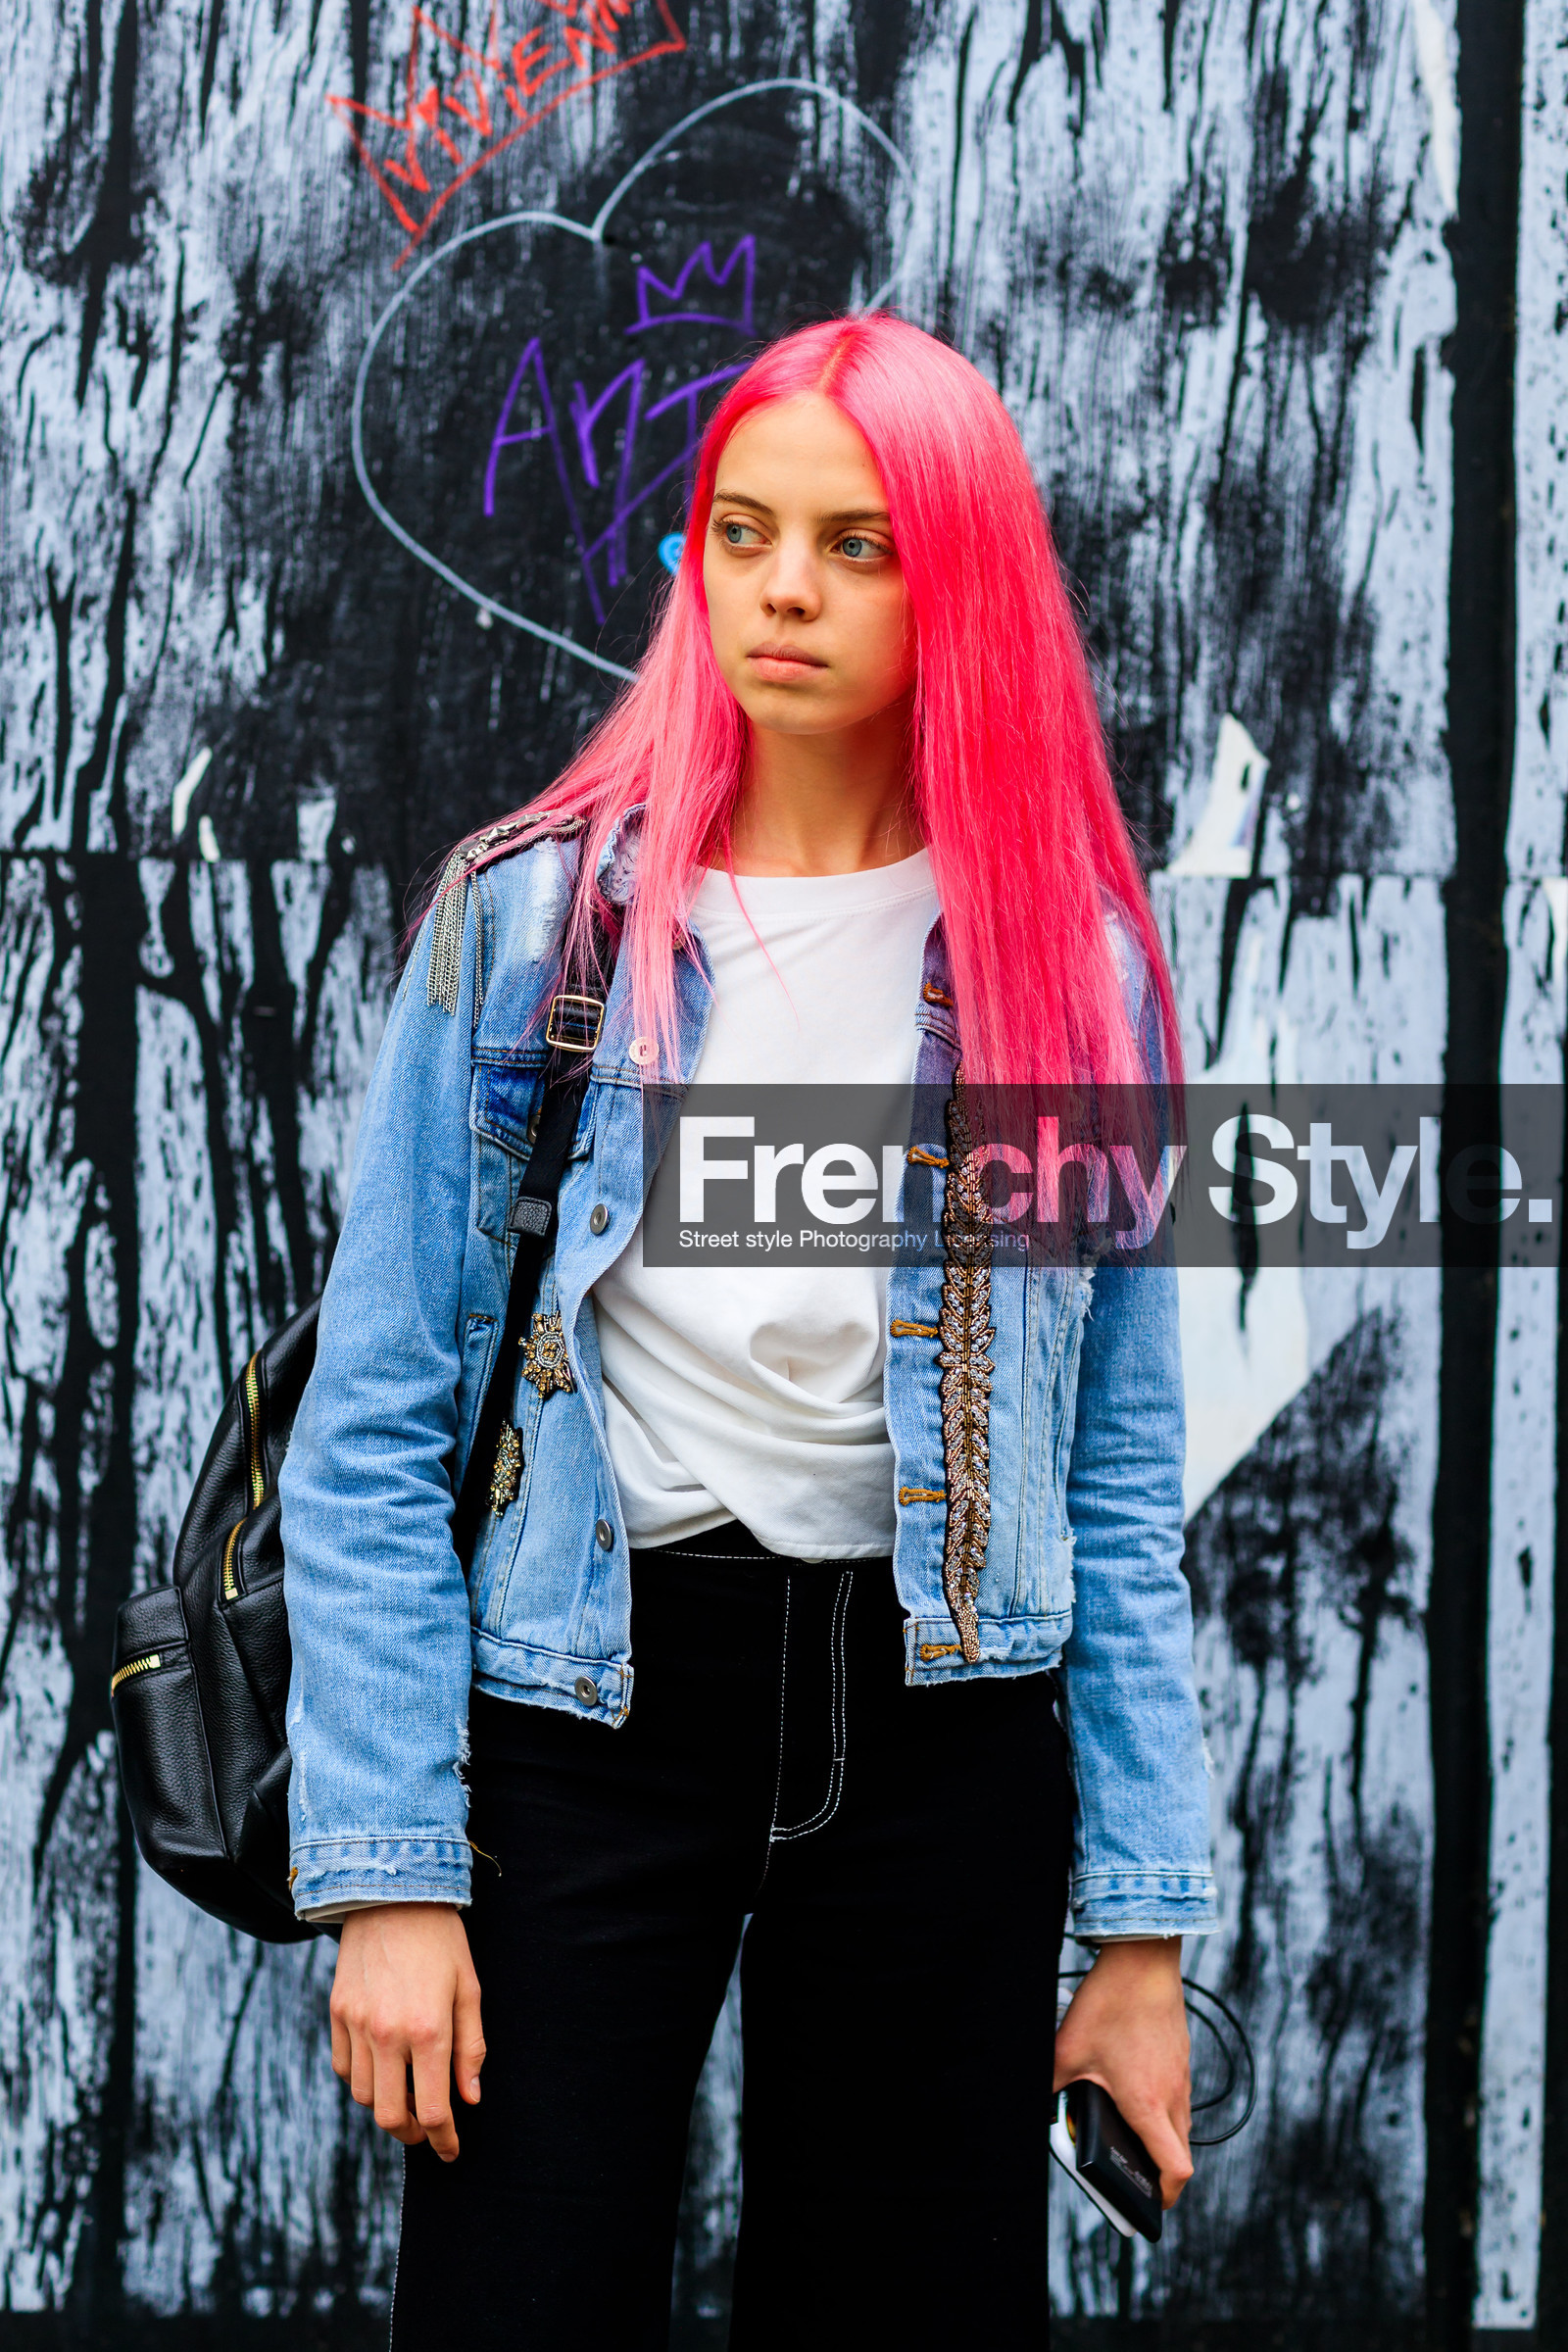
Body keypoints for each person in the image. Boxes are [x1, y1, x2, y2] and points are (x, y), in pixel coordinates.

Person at [279, 313, 1217, 2348]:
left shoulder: (1074, 973)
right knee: (518, 2308)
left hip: (942, 1737)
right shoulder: (536, 928)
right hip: (587, 1718)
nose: (780, 587)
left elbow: (1118, 1480)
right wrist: (389, 1871)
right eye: (742, 529)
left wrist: (1135, 1932)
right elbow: (370, 1427)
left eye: (858, 543)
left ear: (955, 579)